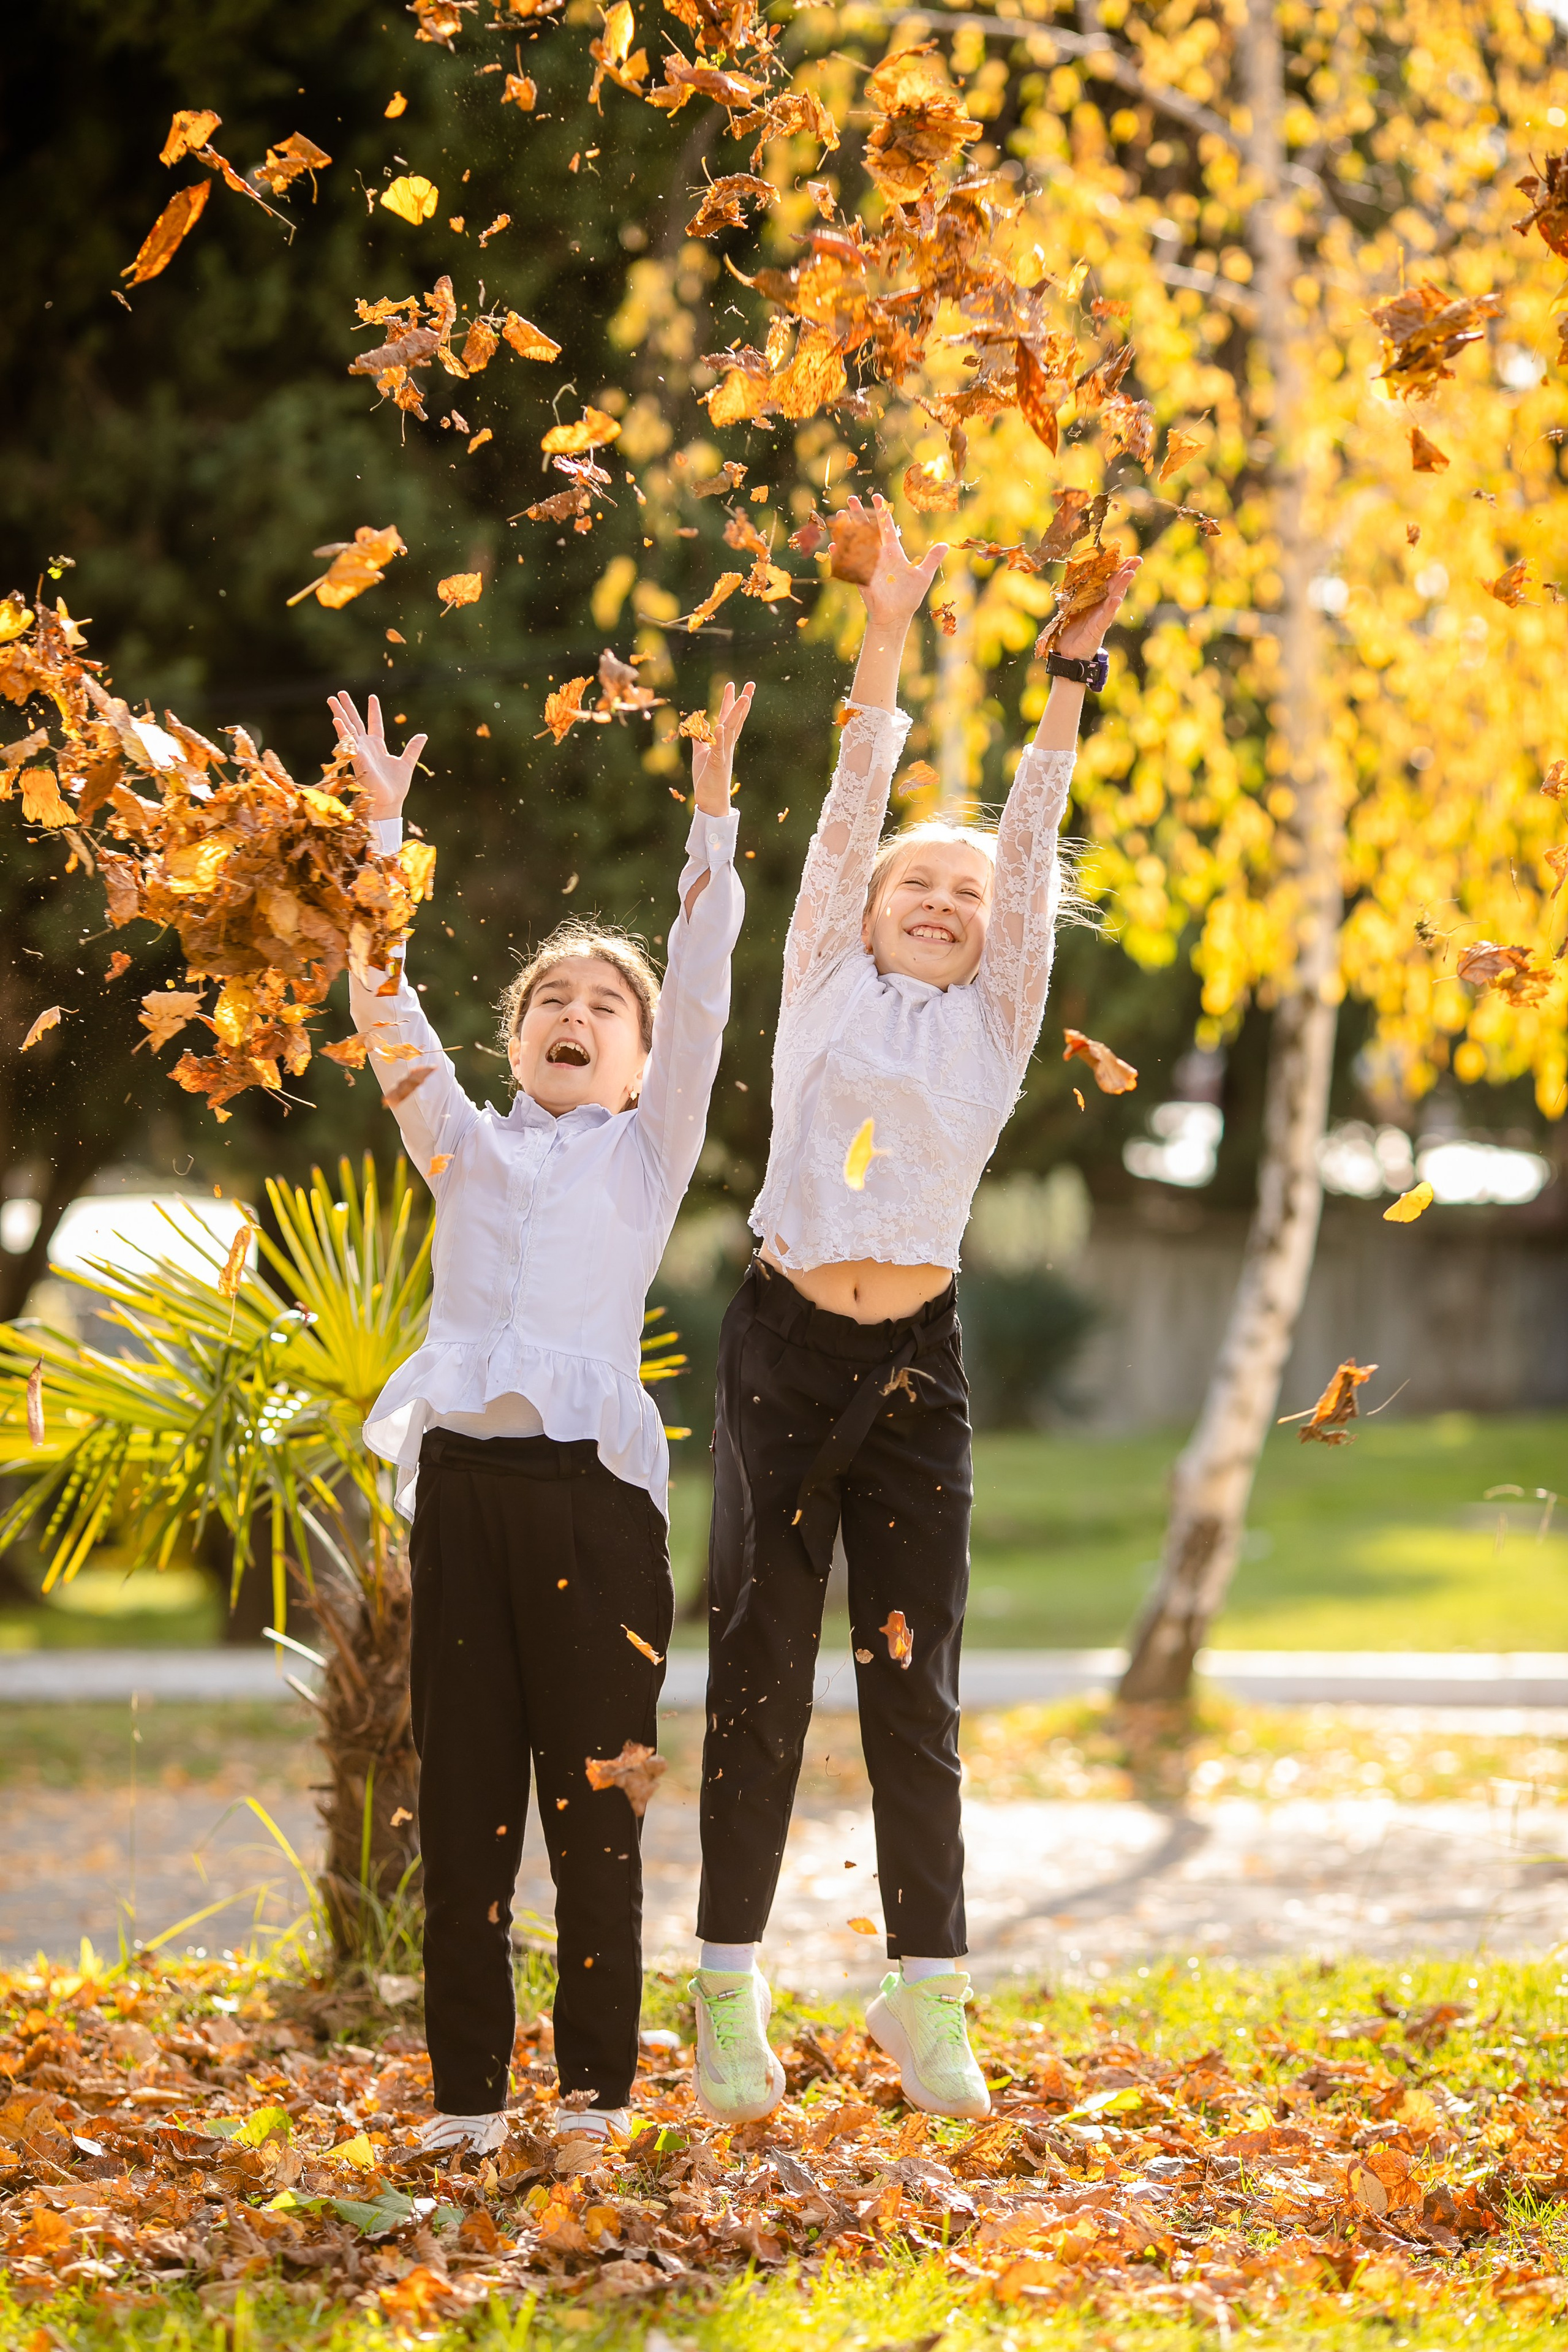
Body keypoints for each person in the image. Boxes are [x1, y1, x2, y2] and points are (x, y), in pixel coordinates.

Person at [689, 499, 1137, 2124]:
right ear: (865, 911)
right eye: (915, 884)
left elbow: (1033, 841)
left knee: (913, 1686)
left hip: (919, 1372)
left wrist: (1070, 673)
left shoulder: (1000, 1015)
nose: (946, 898)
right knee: (756, 1673)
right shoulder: (821, 975)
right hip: (784, 1352)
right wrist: (892, 620)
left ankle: (926, 2002)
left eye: (965, 890)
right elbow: (855, 792)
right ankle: (724, 1995)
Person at [326, 679, 753, 2155]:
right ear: (516, 1041)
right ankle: (459, 2103)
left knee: (594, 1815)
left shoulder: (647, 1157)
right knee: (465, 1823)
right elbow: (384, 1008)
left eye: (604, 1007)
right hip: (464, 1502)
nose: (577, 1016)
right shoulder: (464, 1144)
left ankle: (591, 2097)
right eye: (551, 1003)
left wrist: (711, 823)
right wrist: (382, 832)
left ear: (638, 1061)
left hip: (595, 1513)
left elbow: (700, 995)